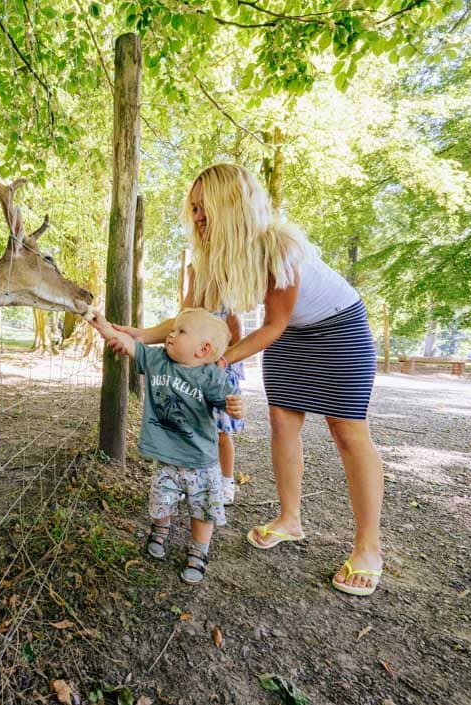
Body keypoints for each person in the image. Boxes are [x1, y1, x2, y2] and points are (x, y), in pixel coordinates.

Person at [110, 164, 384, 597]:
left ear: (232, 205)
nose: (198, 218)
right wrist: (140, 335)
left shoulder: (279, 248)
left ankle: (368, 548)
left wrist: (217, 362)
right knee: (283, 424)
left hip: (338, 330)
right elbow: (189, 320)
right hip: (291, 335)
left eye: (206, 208)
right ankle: (289, 519)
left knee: (347, 431)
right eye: (194, 209)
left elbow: (271, 324)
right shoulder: (210, 259)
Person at [89, 307, 244, 585]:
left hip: (200, 461)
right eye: (173, 330)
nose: (170, 335)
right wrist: (103, 325)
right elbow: (127, 343)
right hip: (167, 457)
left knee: (203, 510)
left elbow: (230, 404)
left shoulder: (210, 377)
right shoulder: (157, 359)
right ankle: (160, 531)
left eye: (180, 331)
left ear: (203, 349)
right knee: (162, 501)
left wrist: (235, 407)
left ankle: (199, 552)